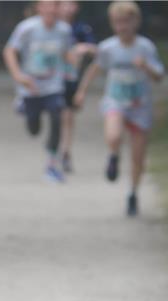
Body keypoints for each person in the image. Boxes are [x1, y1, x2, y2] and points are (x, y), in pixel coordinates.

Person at [75, 0, 164, 217]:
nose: (122, 27)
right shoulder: (108, 48)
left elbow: (159, 76)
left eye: (126, 21)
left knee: (138, 157)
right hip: (115, 101)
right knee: (113, 135)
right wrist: (81, 91)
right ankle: (113, 156)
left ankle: (133, 193)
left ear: (136, 22)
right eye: (117, 22)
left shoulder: (145, 47)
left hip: (139, 106)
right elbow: (94, 69)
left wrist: (146, 67)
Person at [3, 0, 75, 183]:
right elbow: (9, 51)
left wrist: (73, 61)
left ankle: (51, 165)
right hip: (31, 87)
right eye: (48, 4)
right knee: (34, 130)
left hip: (53, 86)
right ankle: (23, 105)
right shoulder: (27, 28)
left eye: (56, 5)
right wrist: (18, 76)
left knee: (57, 116)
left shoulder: (64, 30)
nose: (52, 9)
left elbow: (67, 53)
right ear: (39, 7)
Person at [57, 0, 96, 173]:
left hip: (70, 80)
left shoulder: (81, 29)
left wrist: (84, 47)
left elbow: (96, 50)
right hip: (50, 80)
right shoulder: (50, 27)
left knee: (67, 116)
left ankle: (65, 152)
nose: (67, 8)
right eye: (64, 4)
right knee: (54, 117)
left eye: (71, 4)